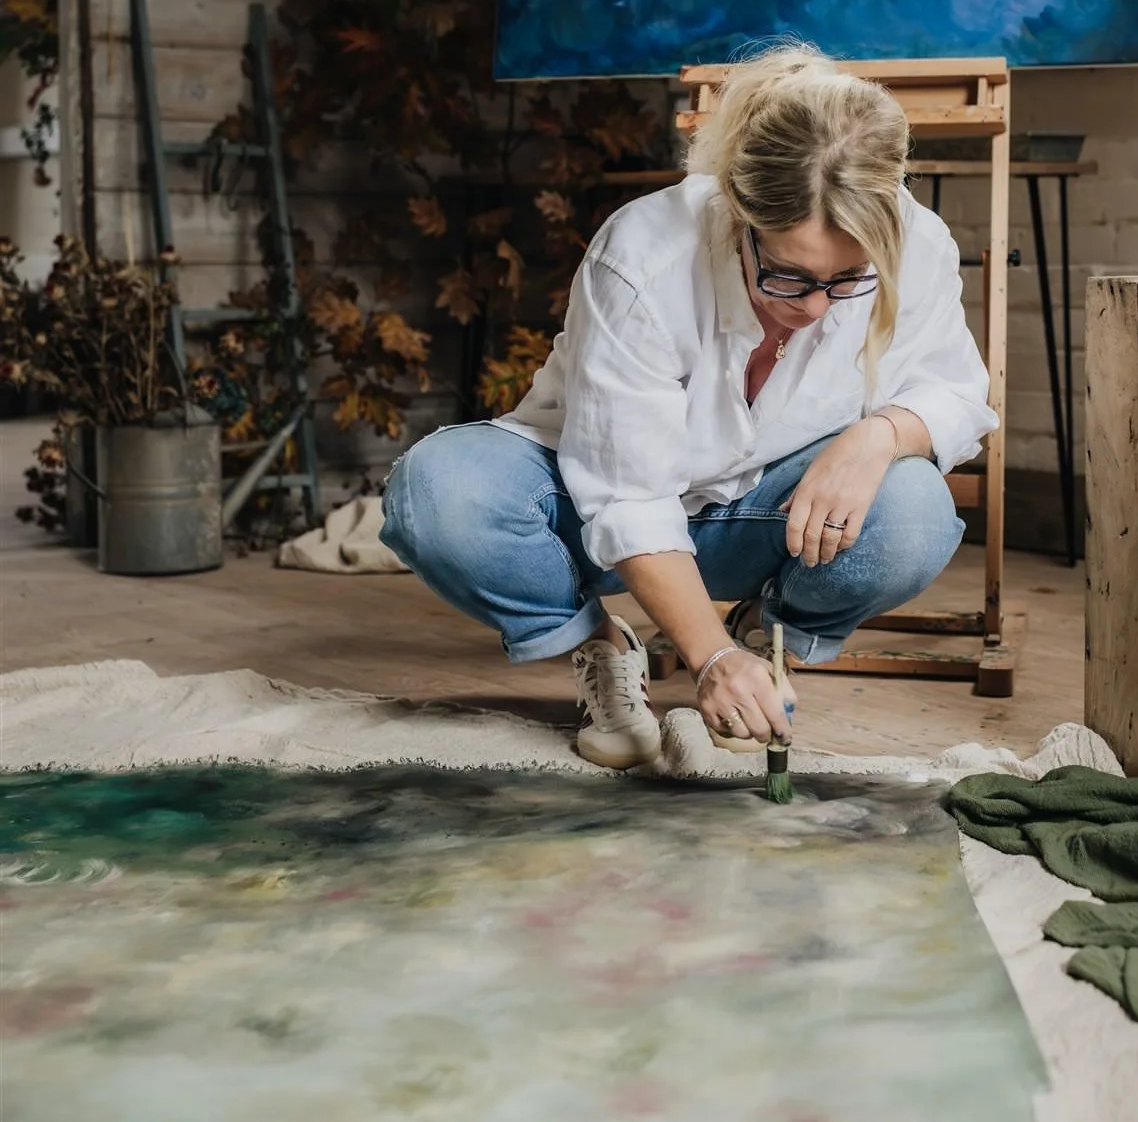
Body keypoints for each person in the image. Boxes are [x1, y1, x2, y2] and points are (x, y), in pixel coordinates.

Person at [380, 47, 997, 769]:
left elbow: (956, 390)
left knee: (914, 510)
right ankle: (602, 648)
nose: (818, 307)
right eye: (789, 276)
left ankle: (766, 645)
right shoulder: (643, 253)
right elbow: (627, 492)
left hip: (766, 513)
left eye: (848, 279)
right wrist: (705, 657)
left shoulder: (914, 240)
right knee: (437, 494)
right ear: (738, 215)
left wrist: (879, 435)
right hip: (584, 511)